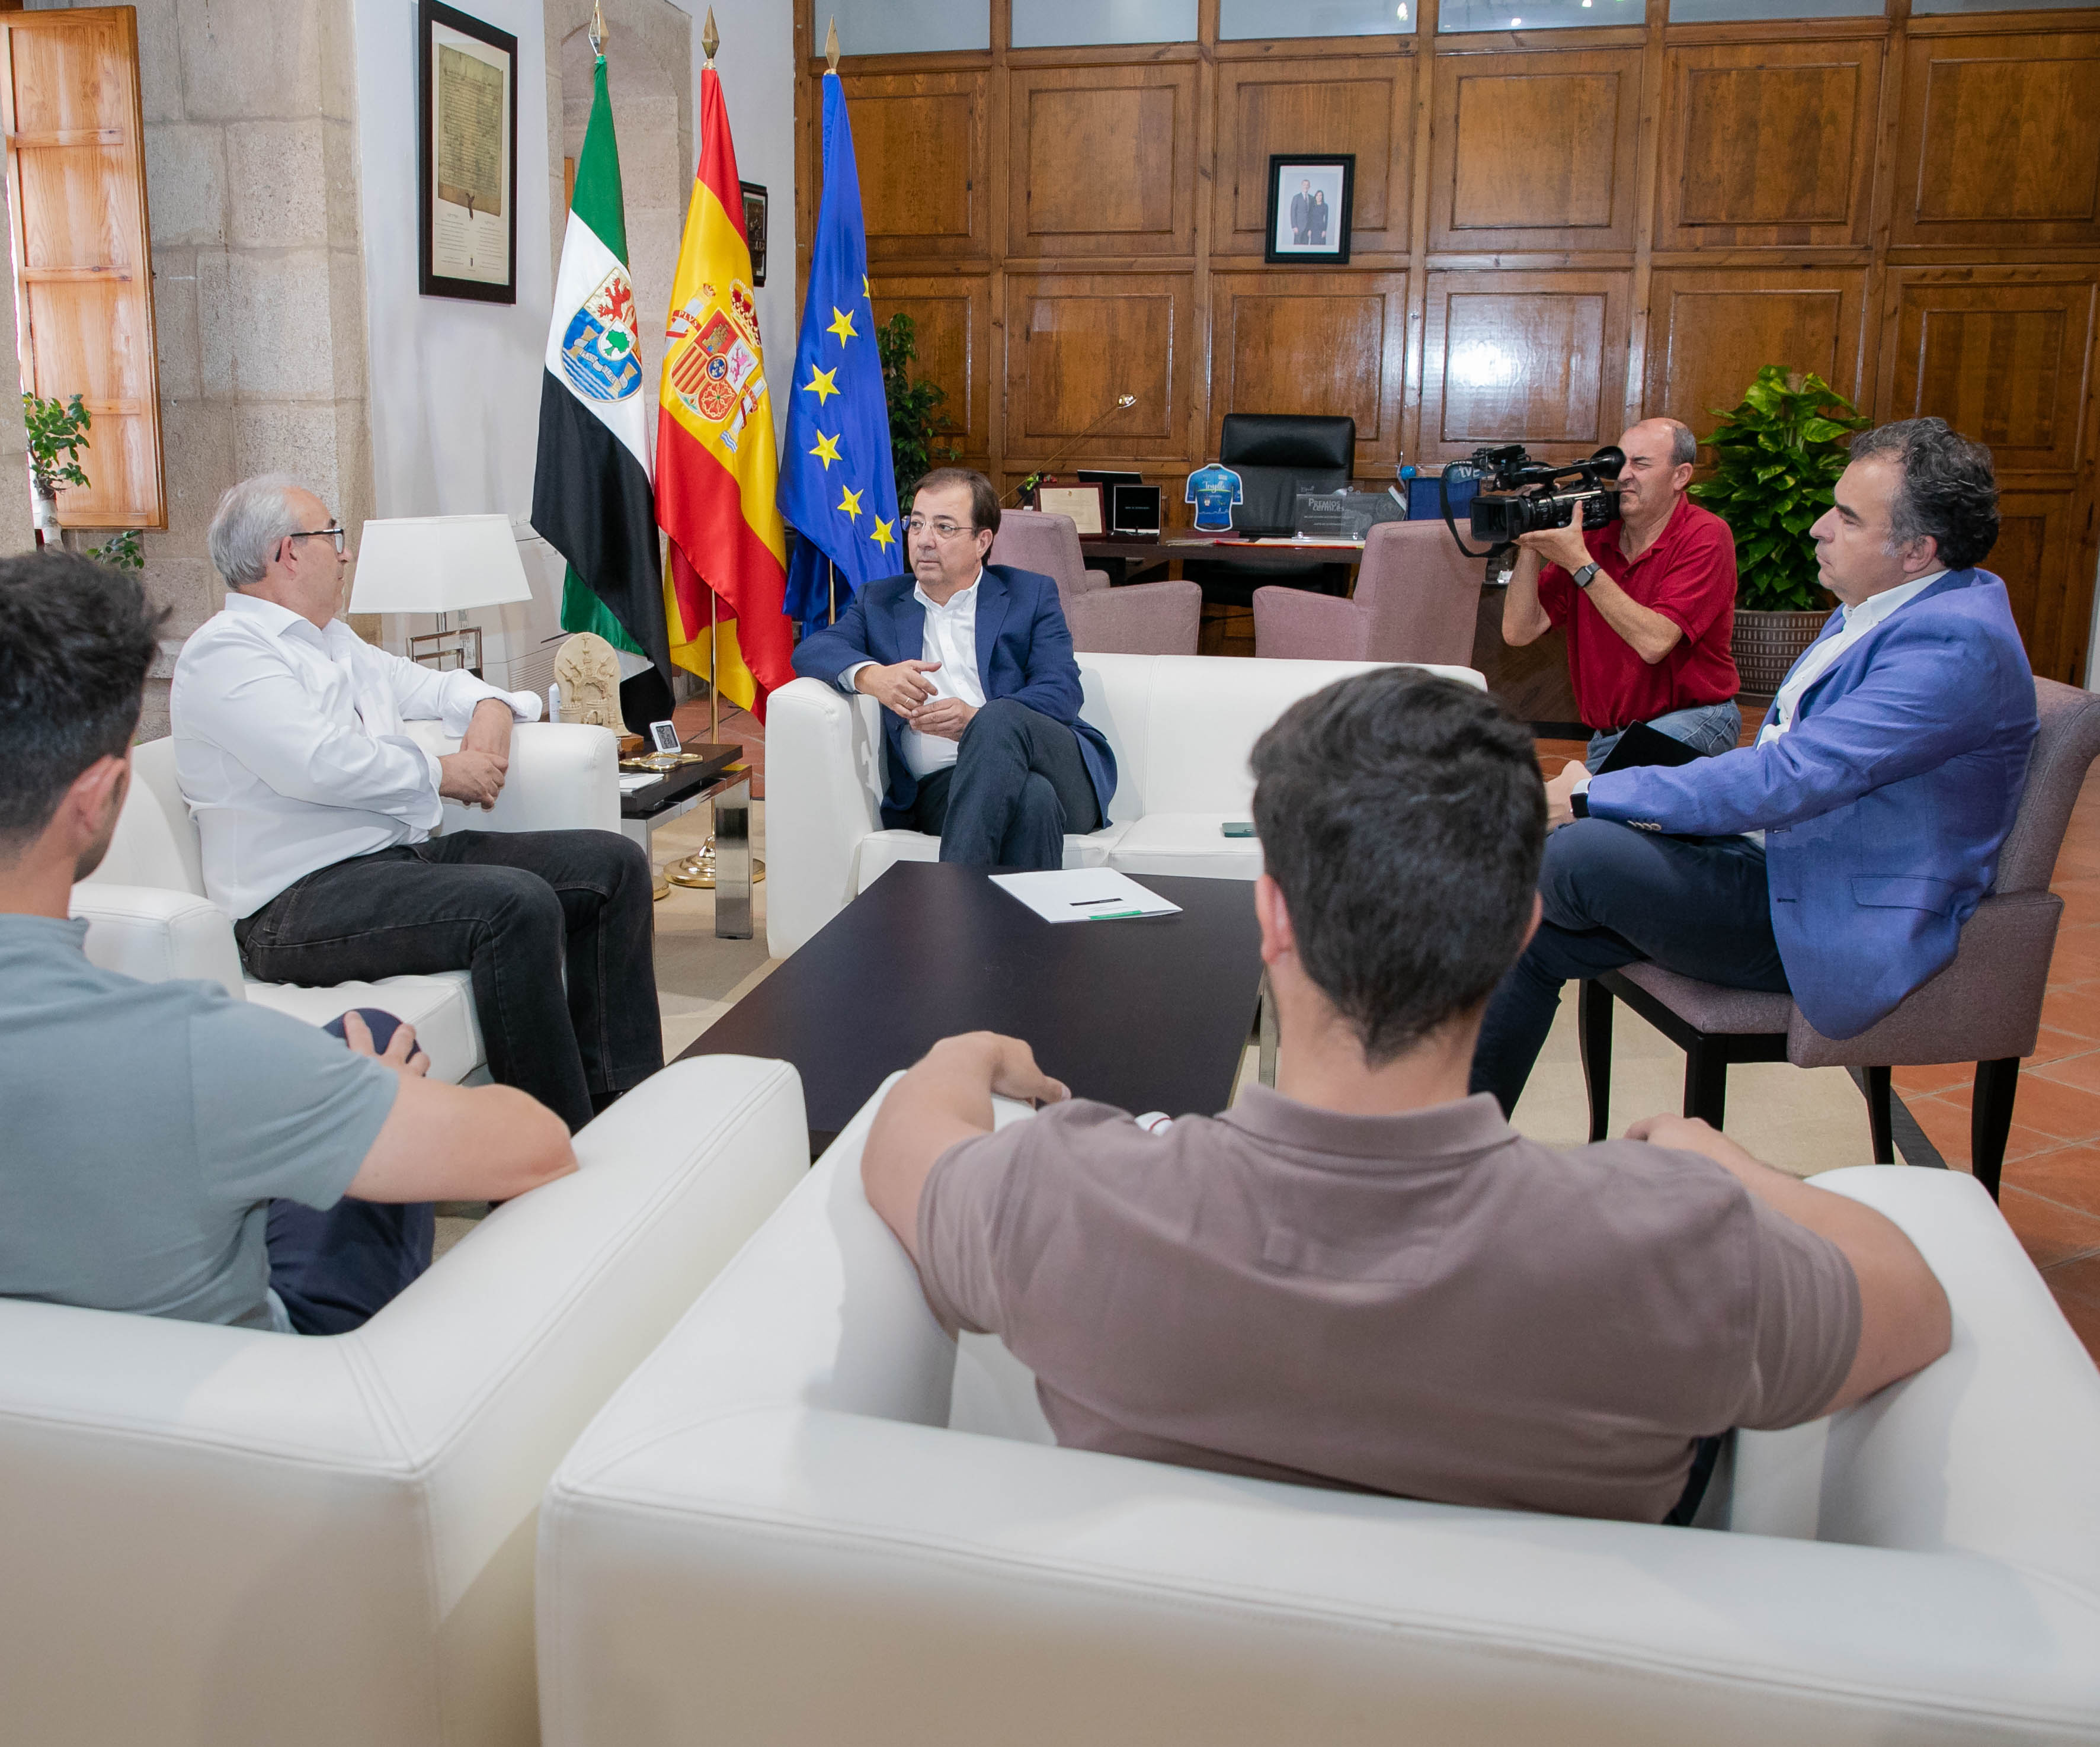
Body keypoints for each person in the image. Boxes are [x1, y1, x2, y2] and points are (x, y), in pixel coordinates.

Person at [859, 666, 1951, 1523]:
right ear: (1523, 924)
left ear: (1270, 916)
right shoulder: (1681, 1246)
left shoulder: (1067, 1193)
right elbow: (1909, 1292)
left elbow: (901, 1135)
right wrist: (1727, 1164)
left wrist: (970, 1051)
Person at [0, 553, 576, 1337]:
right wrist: (370, 1098)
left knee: (330, 1054)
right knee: (372, 1040)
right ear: (103, 797)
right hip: (239, 1430)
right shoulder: (197, 1055)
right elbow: (536, 1144)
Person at [1472, 417, 2038, 1114]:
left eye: (1846, 518)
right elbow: (1778, 766)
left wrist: (1592, 794)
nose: (1817, 528)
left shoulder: (1952, 648)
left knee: (1572, 855)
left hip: (1828, 913)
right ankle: (1453, 1148)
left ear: (1916, 550)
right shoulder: (1879, 605)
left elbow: (1786, 778)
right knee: (1530, 922)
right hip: (1779, 864)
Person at [173, 475, 661, 1131]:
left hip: (392, 862)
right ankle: (546, 1143)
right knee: (513, 906)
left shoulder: (333, 642)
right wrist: (440, 772)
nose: (343, 554)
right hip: (292, 906)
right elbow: (318, 764)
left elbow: (438, 689)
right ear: (285, 553)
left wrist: (490, 707)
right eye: (331, 537)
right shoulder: (226, 654)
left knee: (611, 864)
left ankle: (620, 1108)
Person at [790, 467, 1116, 871]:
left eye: (944, 527)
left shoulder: (1028, 595)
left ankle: (949, 904)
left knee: (998, 719)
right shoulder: (880, 602)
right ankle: (1017, 934)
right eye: (917, 524)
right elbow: (813, 649)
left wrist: (978, 722)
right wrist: (874, 676)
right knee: (1033, 801)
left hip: (1058, 767)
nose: (925, 540)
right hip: (944, 785)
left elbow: (1062, 690)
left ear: (982, 541)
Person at [1499, 417, 1740, 771]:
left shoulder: (1706, 535)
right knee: (1577, 817)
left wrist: (1580, 563)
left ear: (1680, 476)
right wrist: (1531, 545)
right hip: (1609, 738)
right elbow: (1519, 632)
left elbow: (1655, 642)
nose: (1623, 475)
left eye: (1641, 464)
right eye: (1618, 462)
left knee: (1580, 810)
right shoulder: (1596, 536)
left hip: (1695, 720)